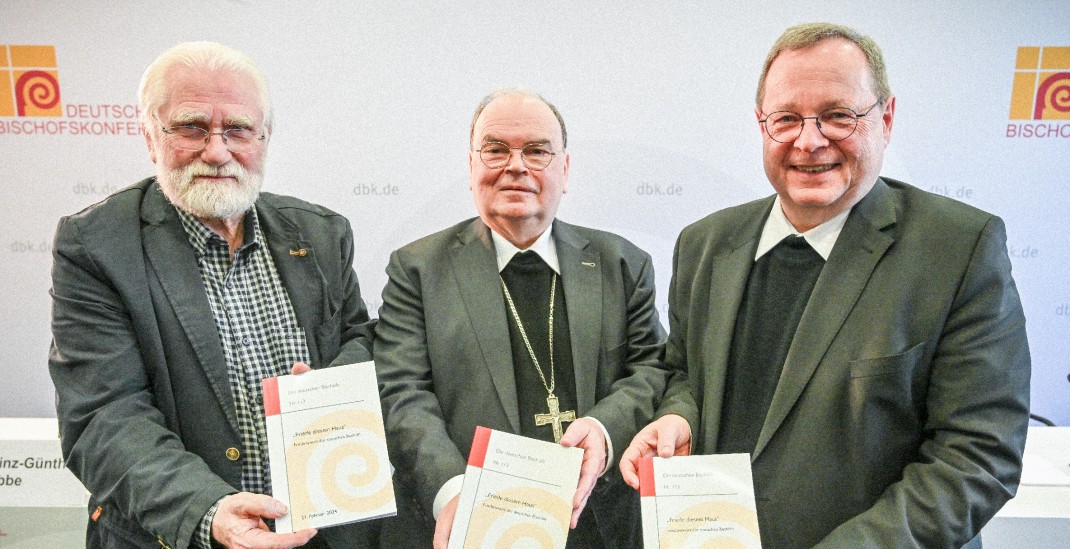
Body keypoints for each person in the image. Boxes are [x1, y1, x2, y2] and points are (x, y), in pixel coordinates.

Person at [619, 22, 1031, 548]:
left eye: (839, 116)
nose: (809, 141)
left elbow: (978, 456)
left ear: (886, 117)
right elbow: (683, 372)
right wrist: (679, 417)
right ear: (761, 124)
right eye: (786, 119)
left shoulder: (959, 249)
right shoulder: (705, 244)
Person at [48, 41, 379, 549]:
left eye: (239, 130)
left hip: (320, 532)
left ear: (265, 137)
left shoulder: (321, 233)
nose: (218, 151)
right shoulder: (97, 246)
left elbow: (361, 341)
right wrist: (206, 510)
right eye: (192, 127)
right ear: (149, 136)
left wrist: (331, 388)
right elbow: (103, 417)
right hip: (181, 535)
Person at [375, 88, 670, 548]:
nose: (516, 166)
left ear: (565, 170)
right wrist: (455, 492)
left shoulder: (622, 263)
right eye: (495, 150)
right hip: (474, 527)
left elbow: (652, 369)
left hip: (603, 523)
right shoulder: (417, 269)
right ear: (471, 167)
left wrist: (602, 430)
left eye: (536, 151)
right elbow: (402, 394)